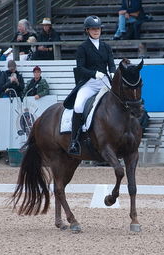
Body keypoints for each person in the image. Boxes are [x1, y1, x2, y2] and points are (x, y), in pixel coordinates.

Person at [63, 15, 116, 155]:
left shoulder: (106, 46)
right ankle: (74, 141)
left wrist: (112, 73)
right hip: (89, 83)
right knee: (78, 106)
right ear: (87, 30)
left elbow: (111, 63)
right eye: (93, 29)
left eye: (98, 28)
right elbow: (80, 68)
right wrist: (94, 74)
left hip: (104, 82)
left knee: (120, 100)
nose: (96, 31)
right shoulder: (83, 48)